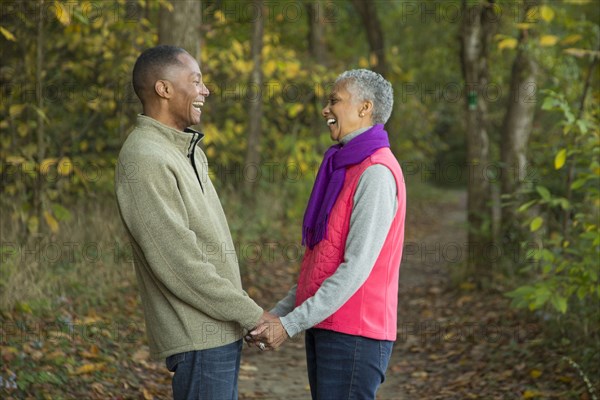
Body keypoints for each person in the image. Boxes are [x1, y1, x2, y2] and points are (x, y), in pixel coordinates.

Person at [115, 45, 274, 400]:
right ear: (164, 89)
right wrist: (251, 314)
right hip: (198, 338)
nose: (205, 90)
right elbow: (178, 261)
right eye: (196, 81)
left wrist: (239, 316)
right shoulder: (144, 157)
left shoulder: (188, 152)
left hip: (220, 331)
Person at [248, 69, 406, 399]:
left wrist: (288, 325)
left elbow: (355, 269)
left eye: (334, 100)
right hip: (329, 329)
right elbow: (322, 264)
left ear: (365, 108)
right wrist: (277, 315)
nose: (325, 109)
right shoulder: (343, 168)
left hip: (356, 336)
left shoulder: (375, 172)